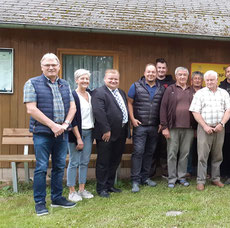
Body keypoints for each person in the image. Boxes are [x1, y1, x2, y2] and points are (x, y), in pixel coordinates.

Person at [24, 53, 77, 216]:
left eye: (54, 64)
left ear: (59, 67)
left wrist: (65, 124)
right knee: (41, 167)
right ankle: (40, 202)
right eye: (47, 65)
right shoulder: (32, 83)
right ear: (42, 67)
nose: (51, 67)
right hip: (42, 133)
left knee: (59, 166)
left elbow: (73, 107)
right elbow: (31, 109)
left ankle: (57, 198)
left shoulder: (65, 84)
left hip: (62, 133)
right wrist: (53, 125)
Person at [189, 70, 230, 191]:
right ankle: (201, 181)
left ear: (217, 80)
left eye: (212, 80)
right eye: (207, 80)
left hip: (219, 128)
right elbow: (195, 111)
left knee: (217, 155)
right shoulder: (200, 93)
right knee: (202, 156)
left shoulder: (223, 93)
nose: (209, 82)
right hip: (204, 128)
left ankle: (215, 179)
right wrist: (204, 126)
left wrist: (222, 123)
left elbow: (228, 110)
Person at [92, 69, 130, 198]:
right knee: (104, 161)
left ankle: (110, 185)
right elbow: (99, 112)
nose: (113, 81)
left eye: (116, 79)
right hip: (106, 134)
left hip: (121, 133)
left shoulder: (121, 92)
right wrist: (106, 130)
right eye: (110, 79)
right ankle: (101, 188)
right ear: (105, 79)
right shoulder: (99, 92)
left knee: (115, 160)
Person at [127, 63, 164, 193]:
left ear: (156, 74)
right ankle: (135, 180)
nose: (151, 74)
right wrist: (132, 119)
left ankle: (145, 177)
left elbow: (162, 108)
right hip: (140, 126)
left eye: (153, 72)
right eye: (149, 72)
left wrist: (161, 123)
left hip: (154, 127)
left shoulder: (161, 88)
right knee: (138, 152)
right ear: (144, 73)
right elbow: (129, 103)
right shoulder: (136, 86)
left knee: (149, 153)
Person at [160, 67, 196, 188]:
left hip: (189, 128)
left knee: (185, 153)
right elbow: (163, 108)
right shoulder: (170, 89)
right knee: (172, 153)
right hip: (173, 127)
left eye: (184, 75)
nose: (182, 77)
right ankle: (172, 178)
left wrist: (196, 128)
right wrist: (164, 127)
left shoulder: (192, 90)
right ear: (176, 76)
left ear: (187, 76)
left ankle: (181, 177)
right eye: (180, 75)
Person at [66, 69, 94, 202]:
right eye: (82, 78)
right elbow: (72, 119)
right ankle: (72, 191)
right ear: (76, 80)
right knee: (74, 162)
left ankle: (82, 189)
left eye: (87, 79)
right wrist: (78, 138)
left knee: (84, 162)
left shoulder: (90, 94)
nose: (85, 81)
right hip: (77, 132)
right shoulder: (72, 95)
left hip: (89, 132)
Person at [150, 58, 175, 179]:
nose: (161, 70)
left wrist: (164, 122)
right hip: (152, 121)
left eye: (163, 68)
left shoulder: (172, 83)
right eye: (159, 68)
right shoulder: (149, 81)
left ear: (166, 69)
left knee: (166, 148)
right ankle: (150, 173)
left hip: (166, 122)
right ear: (155, 69)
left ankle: (166, 172)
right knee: (152, 148)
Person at [187, 71, 203, 176]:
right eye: (195, 78)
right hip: (189, 124)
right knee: (188, 149)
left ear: (202, 81)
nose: (197, 80)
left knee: (202, 150)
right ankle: (188, 170)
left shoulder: (206, 91)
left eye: (199, 79)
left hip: (203, 125)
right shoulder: (187, 91)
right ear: (191, 81)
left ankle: (202, 172)